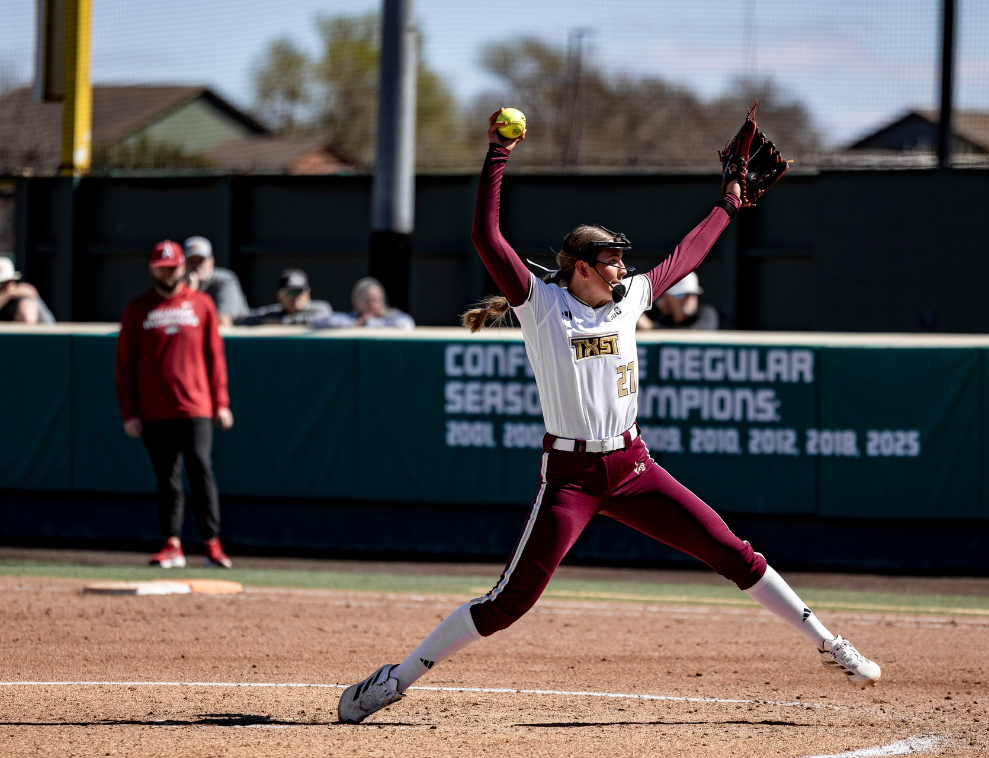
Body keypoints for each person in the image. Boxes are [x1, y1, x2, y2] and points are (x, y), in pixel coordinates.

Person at [337, 110, 880, 725]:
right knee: (508, 602)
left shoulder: (630, 301)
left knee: (733, 551)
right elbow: (488, 240)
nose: (624, 268)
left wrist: (728, 203)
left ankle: (831, 644)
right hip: (569, 477)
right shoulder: (540, 304)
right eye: (612, 260)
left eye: (623, 260)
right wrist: (497, 155)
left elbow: (688, 254)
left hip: (631, 465)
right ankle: (394, 679)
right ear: (582, 268)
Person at [115, 240, 235, 569]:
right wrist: (130, 412)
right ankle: (172, 543)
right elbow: (124, 365)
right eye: (161, 268)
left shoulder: (202, 305)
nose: (167, 273)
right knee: (167, 478)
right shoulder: (138, 308)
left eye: (172, 267)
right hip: (155, 410)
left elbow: (215, 356)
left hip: (196, 406)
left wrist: (221, 402)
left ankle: (212, 543)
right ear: (153, 269)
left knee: (200, 469)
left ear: (183, 268)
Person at [183, 237, 250, 326]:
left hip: (238, 336)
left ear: (211, 262)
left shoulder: (225, 280)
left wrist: (192, 293)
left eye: (200, 261)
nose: (196, 266)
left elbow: (223, 322)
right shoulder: (179, 284)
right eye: (192, 261)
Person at [310, 277, 416, 329]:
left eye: (376, 301)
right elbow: (317, 321)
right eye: (367, 301)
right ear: (355, 302)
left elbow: (406, 323)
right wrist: (356, 324)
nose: (372, 305)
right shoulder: (351, 318)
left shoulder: (391, 316)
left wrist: (369, 323)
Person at [237, 269, 332, 326]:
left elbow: (320, 319)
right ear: (279, 296)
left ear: (307, 294)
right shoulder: (275, 312)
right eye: (290, 292)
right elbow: (245, 319)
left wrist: (281, 322)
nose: (295, 297)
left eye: (299, 291)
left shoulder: (320, 308)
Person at [636, 272, 719, 331]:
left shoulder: (706, 314)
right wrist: (656, 309)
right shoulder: (663, 316)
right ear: (666, 298)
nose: (689, 299)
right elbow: (642, 321)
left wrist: (652, 328)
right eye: (681, 295)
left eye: (693, 294)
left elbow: (692, 336)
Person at [0, 257, 55, 324]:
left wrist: (9, 294)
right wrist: (9, 294)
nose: (6, 285)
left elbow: (28, 324)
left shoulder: (24, 295)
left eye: (9, 281)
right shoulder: (10, 295)